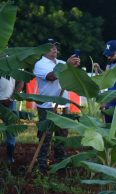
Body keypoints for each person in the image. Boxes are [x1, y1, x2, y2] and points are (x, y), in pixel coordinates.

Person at [33, 38, 80, 173]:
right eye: (50, 47)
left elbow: (70, 75)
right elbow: (51, 76)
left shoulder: (61, 63)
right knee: (45, 136)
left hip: (63, 105)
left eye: (55, 47)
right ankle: (42, 164)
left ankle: (60, 163)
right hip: (47, 106)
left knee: (61, 135)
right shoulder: (40, 64)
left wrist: (73, 65)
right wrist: (67, 65)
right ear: (43, 50)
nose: (54, 49)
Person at [0, 76, 24, 164]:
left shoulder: (14, 65)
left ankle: (10, 158)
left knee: (11, 130)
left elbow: (21, 81)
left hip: (10, 101)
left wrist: (11, 98)